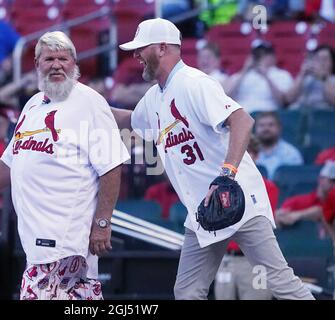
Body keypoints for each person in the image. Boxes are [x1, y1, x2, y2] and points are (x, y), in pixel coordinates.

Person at [111, 18, 313, 300]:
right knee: (187, 292)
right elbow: (131, 121)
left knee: (280, 281)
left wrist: (226, 174)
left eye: (140, 48)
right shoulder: (154, 97)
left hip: (235, 198)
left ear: (160, 48)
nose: (135, 56)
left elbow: (242, 120)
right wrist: (88, 104)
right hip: (202, 212)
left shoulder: (194, 83)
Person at [0, 31, 130, 300]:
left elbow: (111, 165)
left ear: (75, 63)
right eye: (49, 59)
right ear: (36, 65)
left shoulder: (89, 102)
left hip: (63, 240)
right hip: (38, 242)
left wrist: (102, 223)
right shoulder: (33, 104)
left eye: (63, 59)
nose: (56, 65)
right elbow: (10, 161)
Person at [214, 136, 279, 300]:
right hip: (226, 258)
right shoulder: (220, 187)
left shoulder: (267, 187)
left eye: (245, 153)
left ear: (255, 156)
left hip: (255, 260)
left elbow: (252, 219)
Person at [223, 42, 293, 114]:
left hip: (268, 117)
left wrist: (266, 76)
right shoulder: (240, 75)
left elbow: (283, 102)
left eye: (265, 55)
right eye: (257, 55)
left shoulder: (282, 75)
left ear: (273, 57)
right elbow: (227, 98)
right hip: (243, 117)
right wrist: (244, 70)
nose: (260, 58)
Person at [275, 161, 335, 226]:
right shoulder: (299, 201)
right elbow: (281, 213)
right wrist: (281, 216)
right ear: (321, 179)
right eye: (332, 180)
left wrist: (299, 215)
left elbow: (320, 211)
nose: (333, 184)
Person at [254, 111, 303, 179]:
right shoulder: (248, 153)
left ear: (279, 128)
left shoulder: (291, 153)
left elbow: (295, 180)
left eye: (271, 125)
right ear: (255, 129)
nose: (266, 129)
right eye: (261, 125)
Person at [285, 45, 335, 110]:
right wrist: (301, 75)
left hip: (324, 116)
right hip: (301, 114)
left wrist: (324, 78)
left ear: (332, 62)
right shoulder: (306, 79)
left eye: (324, 59)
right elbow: (288, 99)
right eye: (317, 59)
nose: (321, 62)